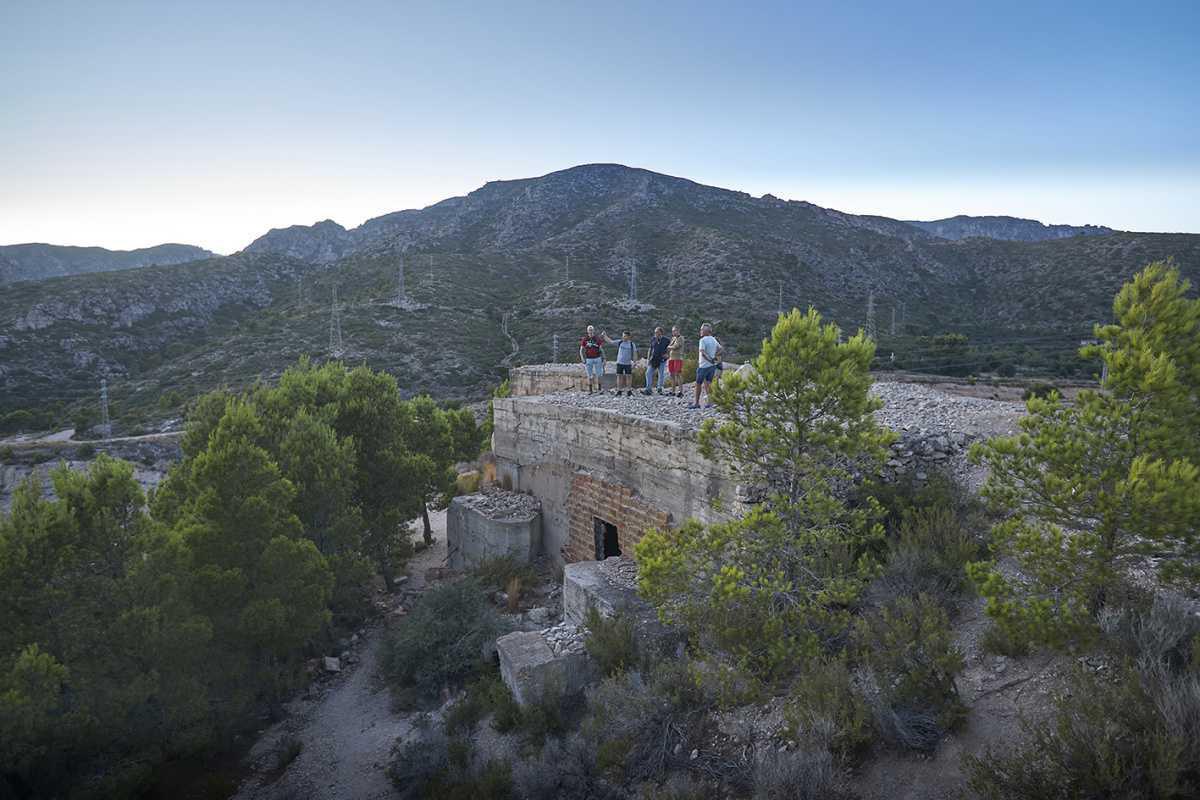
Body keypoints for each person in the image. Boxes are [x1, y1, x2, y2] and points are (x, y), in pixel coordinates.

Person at [690, 322, 723, 409]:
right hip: (712, 366)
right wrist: (714, 357)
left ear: (706, 331)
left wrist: (709, 359)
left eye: (701, 329)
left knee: (698, 384)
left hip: (703, 366)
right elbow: (721, 349)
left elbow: (702, 352)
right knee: (708, 384)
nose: (700, 331)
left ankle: (696, 403)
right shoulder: (713, 339)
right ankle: (710, 403)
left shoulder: (702, 340)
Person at [579, 325, 607, 394]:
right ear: (587, 331)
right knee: (589, 375)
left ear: (593, 330)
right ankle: (590, 390)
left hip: (597, 358)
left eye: (591, 330)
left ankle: (600, 389)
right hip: (588, 359)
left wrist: (604, 358)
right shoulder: (585, 339)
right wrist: (582, 358)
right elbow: (581, 350)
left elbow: (601, 349)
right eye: (589, 330)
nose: (590, 331)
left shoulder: (597, 339)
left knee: (599, 374)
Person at [642, 326, 670, 395]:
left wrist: (668, 354)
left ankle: (659, 388)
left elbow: (670, 347)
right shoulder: (653, 339)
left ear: (661, 332)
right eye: (655, 332)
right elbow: (650, 349)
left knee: (661, 374)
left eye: (657, 332)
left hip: (662, 360)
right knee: (648, 373)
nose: (656, 333)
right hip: (653, 359)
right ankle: (648, 389)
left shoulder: (666, 340)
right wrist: (648, 359)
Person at [611, 330, 639, 396]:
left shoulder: (632, 344)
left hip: (628, 363)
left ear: (628, 337)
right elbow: (611, 342)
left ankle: (629, 391)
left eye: (625, 336)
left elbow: (635, 353)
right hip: (619, 363)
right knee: (619, 376)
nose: (623, 337)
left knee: (629, 377)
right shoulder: (620, 342)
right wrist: (604, 336)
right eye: (623, 336)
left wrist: (635, 362)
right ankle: (619, 391)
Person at [666, 325, 685, 397]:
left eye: (674, 331)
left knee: (678, 374)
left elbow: (675, 346)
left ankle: (681, 391)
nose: (673, 332)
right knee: (672, 375)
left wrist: (669, 347)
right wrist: (669, 347)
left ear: (678, 331)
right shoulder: (673, 338)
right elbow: (671, 346)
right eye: (672, 331)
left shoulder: (681, 338)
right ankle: (673, 391)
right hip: (671, 358)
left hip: (678, 358)